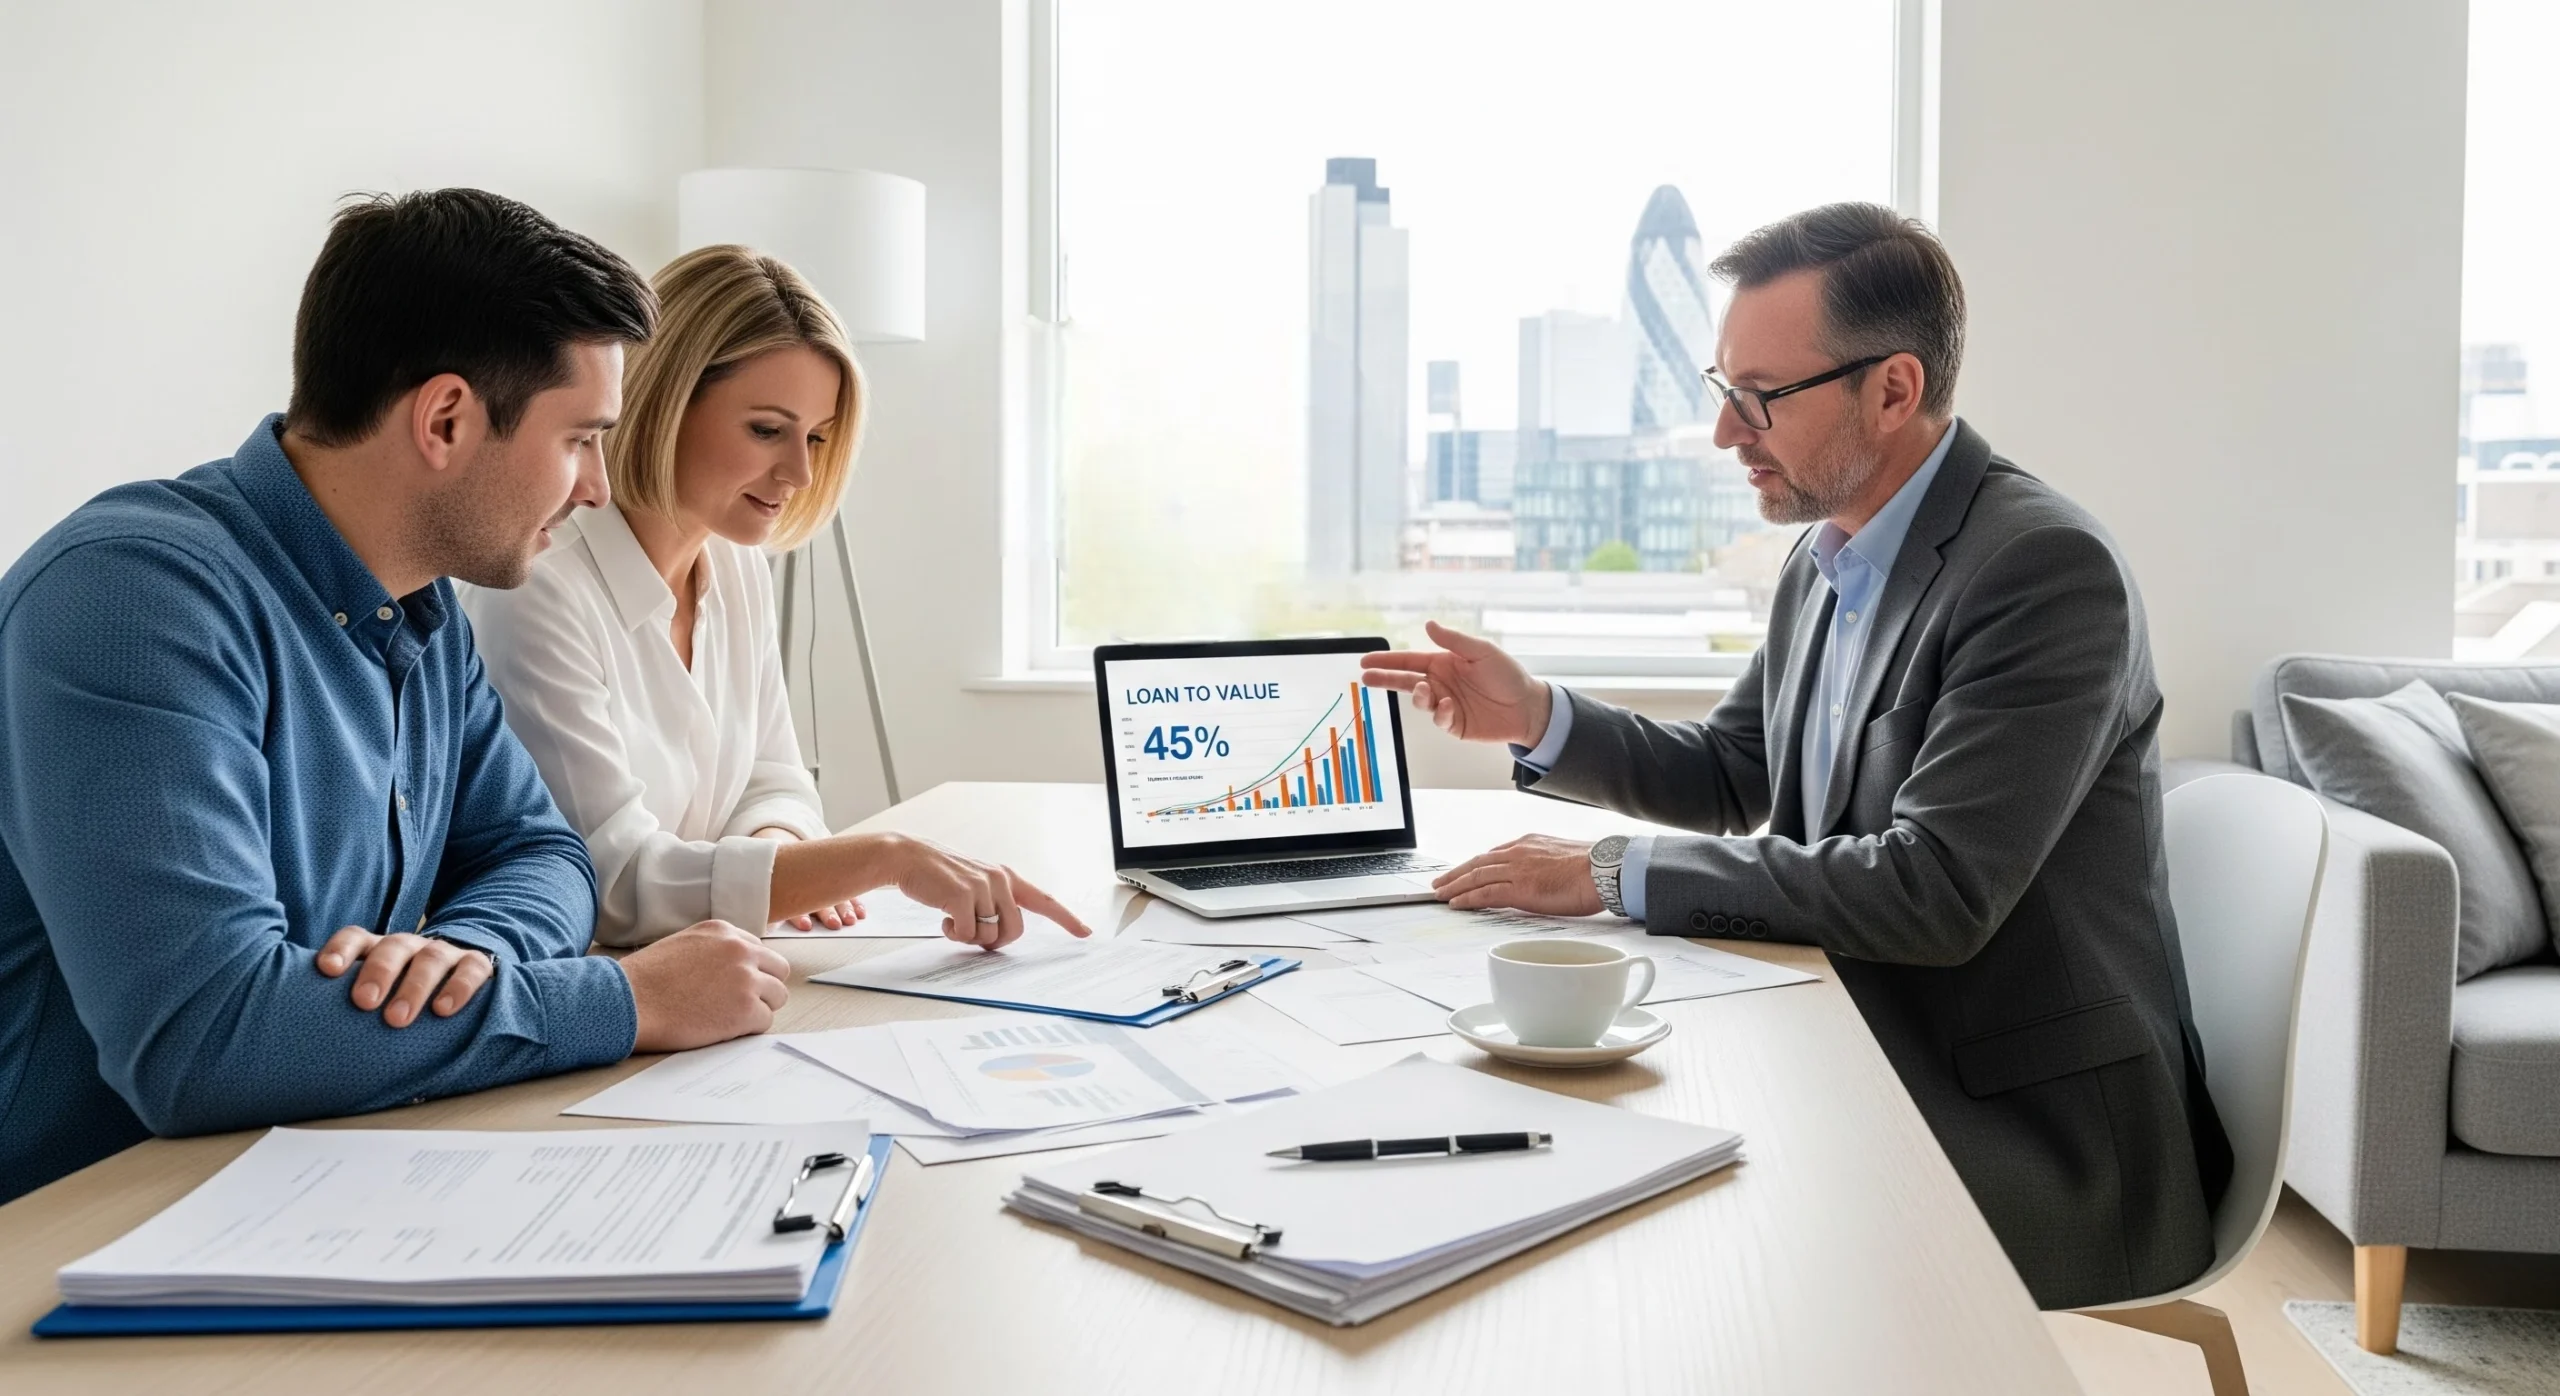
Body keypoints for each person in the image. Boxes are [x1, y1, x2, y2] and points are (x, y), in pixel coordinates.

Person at [1360, 202, 2232, 1311]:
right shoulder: (1831, 555)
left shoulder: (2042, 572)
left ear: (1894, 389)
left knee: (1639, 1229)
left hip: (2032, 1134)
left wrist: (1608, 870)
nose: (1728, 434)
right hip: (1858, 1047)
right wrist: (1536, 714)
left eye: (1758, 398)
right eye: (1726, 393)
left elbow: (1935, 888)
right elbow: (1735, 771)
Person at [0, 189, 798, 1206]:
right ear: (447, 418)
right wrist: (624, 999)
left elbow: (543, 856)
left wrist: (459, 961)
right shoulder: (134, 601)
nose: (598, 485)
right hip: (71, 1227)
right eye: (579, 439)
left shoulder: (421, 610)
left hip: (298, 1180)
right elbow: (204, 1040)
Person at [462, 245, 1092, 949]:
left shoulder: (736, 566)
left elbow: (776, 781)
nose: (798, 471)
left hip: (724, 969)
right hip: (601, 993)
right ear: (666, 400)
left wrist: (783, 860)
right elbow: (610, 881)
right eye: (767, 430)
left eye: (817, 438)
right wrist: (876, 859)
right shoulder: (540, 590)